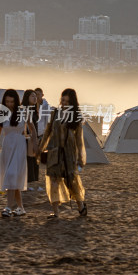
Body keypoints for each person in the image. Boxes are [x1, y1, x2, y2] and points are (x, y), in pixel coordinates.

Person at [38, 88, 87, 218]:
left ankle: (80, 205)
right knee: (53, 181)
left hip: (69, 154)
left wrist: (81, 157)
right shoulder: (55, 113)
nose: (64, 103)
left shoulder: (76, 117)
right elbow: (47, 132)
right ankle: (56, 212)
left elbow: (79, 140)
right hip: (54, 152)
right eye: (63, 100)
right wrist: (41, 148)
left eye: (67, 101)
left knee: (71, 182)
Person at [0, 89, 37, 217]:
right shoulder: (2, 113)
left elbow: (32, 129)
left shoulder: (23, 111)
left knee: (11, 174)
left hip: (19, 146)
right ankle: (20, 208)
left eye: (12, 101)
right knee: (13, 178)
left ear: (16, 101)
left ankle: (8, 207)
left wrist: (36, 146)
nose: (9, 104)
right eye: (7, 101)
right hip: (7, 146)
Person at [21, 89, 40, 188]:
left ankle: (34, 181)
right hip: (27, 138)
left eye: (35, 96)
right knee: (29, 160)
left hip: (34, 137)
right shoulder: (24, 109)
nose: (35, 98)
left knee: (34, 160)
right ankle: (29, 182)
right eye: (32, 96)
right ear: (27, 97)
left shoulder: (34, 109)